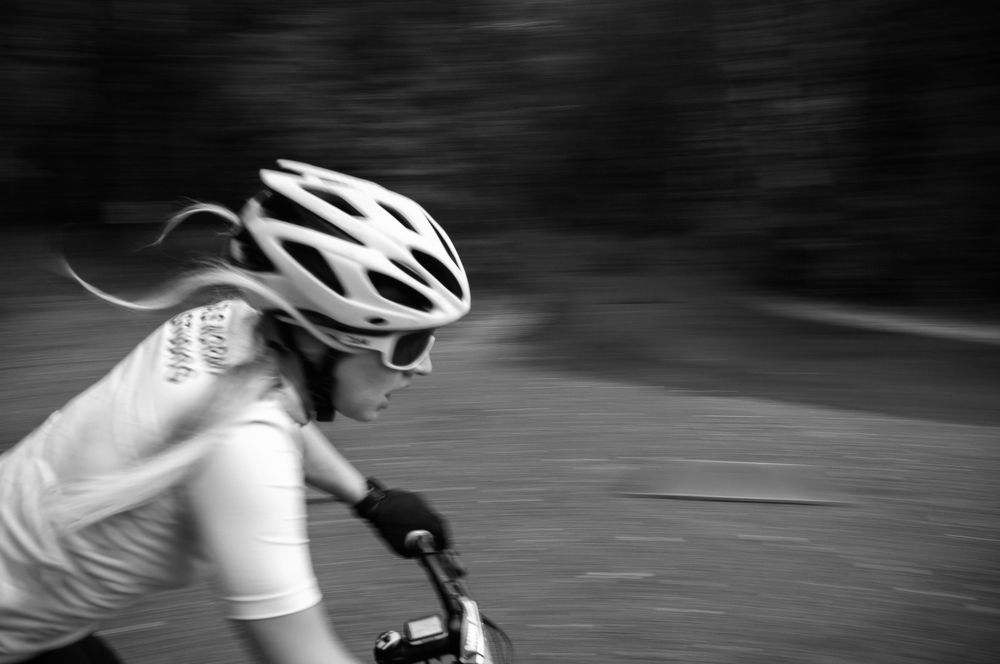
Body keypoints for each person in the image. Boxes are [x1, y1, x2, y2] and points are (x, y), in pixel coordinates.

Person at [0, 160, 472, 664]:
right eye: (408, 344)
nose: (422, 367)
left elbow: (260, 413)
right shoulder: (247, 454)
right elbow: (300, 655)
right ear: (328, 336)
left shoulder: (224, 326)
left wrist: (369, 499)